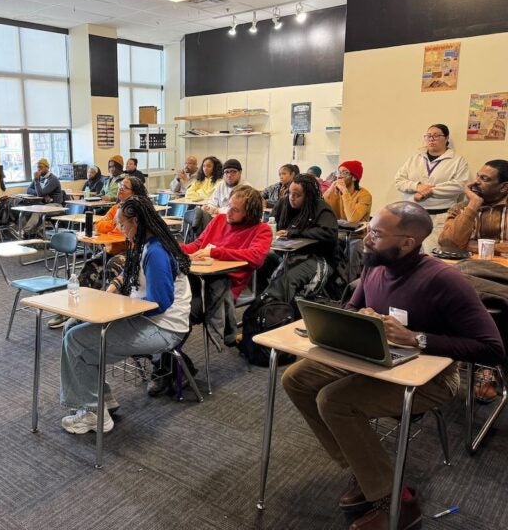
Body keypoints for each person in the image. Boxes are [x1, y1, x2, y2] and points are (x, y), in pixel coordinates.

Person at [281, 201, 504, 530]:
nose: (366, 238)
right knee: (296, 378)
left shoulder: (445, 280)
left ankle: (397, 501)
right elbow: (351, 307)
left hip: (432, 378)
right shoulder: (374, 265)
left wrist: (417, 339)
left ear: (408, 242)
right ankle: (365, 470)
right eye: (369, 228)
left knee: (334, 401)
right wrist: (360, 319)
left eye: (376, 233)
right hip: (376, 355)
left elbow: (493, 349)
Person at [59, 195, 192, 434]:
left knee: (76, 340)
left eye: (123, 225)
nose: (120, 229)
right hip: (146, 317)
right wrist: (115, 291)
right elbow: (132, 277)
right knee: (72, 326)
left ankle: (93, 413)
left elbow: (160, 303)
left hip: (165, 327)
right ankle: (103, 399)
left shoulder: (157, 252)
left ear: (137, 222)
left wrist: (118, 309)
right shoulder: (144, 244)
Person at [179, 185, 273, 354]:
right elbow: (197, 246)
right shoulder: (219, 220)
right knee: (176, 308)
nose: (228, 212)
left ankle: (169, 363)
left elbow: (256, 256)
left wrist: (215, 252)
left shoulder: (261, 230)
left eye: (235, 210)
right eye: (229, 205)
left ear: (249, 214)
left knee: (182, 313)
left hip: (228, 285)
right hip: (200, 279)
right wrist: (175, 247)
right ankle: (170, 362)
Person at [47, 176, 148, 329]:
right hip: (114, 249)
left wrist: (114, 227)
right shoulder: (116, 208)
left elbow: (123, 234)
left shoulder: (139, 211)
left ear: (135, 192)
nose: (120, 188)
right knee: (90, 265)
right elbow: (99, 225)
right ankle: (73, 310)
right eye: (120, 185)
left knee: (112, 265)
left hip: (132, 252)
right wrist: (114, 223)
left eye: (125, 187)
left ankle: (110, 312)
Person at [394, 124, 469, 253]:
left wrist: (428, 191)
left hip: (440, 216)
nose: (431, 139)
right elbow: (399, 181)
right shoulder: (415, 158)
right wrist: (417, 186)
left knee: (432, 255)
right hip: (412, 216)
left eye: (436, 135)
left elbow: (459, 185)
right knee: (408, 255)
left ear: (446, 138)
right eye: (428, 136)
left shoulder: (457, 160)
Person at [265, 173, 339, 303]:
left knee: (285, 276)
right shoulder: (283, 203)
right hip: (285, 254)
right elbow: (270, 224)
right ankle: (267, 303)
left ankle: (279, 309)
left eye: (297, 195)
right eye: (290, 193)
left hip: (315, 258)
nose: (291, 198)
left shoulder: (321, 209)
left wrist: (295, 232)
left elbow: (328, 233)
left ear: (308, 196)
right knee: (259, 264)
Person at [439, 159, 508, 256]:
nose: (476, 182)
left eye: (484, 179)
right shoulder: (460, 208)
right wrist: (473, 204)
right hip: (467, 267)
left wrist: (477, 247)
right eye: (477, 176)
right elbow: (448, 245)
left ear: (504, 187)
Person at [324, 160, 372, 282]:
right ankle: (330, 281)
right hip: (338, 233)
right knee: (325, 243)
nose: (340, 176)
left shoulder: (364, 195)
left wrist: (345, 192)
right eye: (339, 172)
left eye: (345, 173)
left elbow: (353, 218)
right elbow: (323, 209)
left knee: (354, 247)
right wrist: (330, 190)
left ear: (354, 177)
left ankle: (348, 284)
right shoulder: (335, 192)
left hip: (358, 236)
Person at [22, 158, 63, 237]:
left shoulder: (53, 179)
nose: (38, 169)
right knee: (28, 211)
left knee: (37, 211)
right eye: (37, 167)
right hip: (44, 205)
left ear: (47, 167)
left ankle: (25, 232)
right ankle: (32, 233)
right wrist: (40, 193)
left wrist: (37, 182)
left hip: (56, 205)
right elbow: (29, 190)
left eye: (41, 167)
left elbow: (40, 194)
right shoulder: (39, 177)